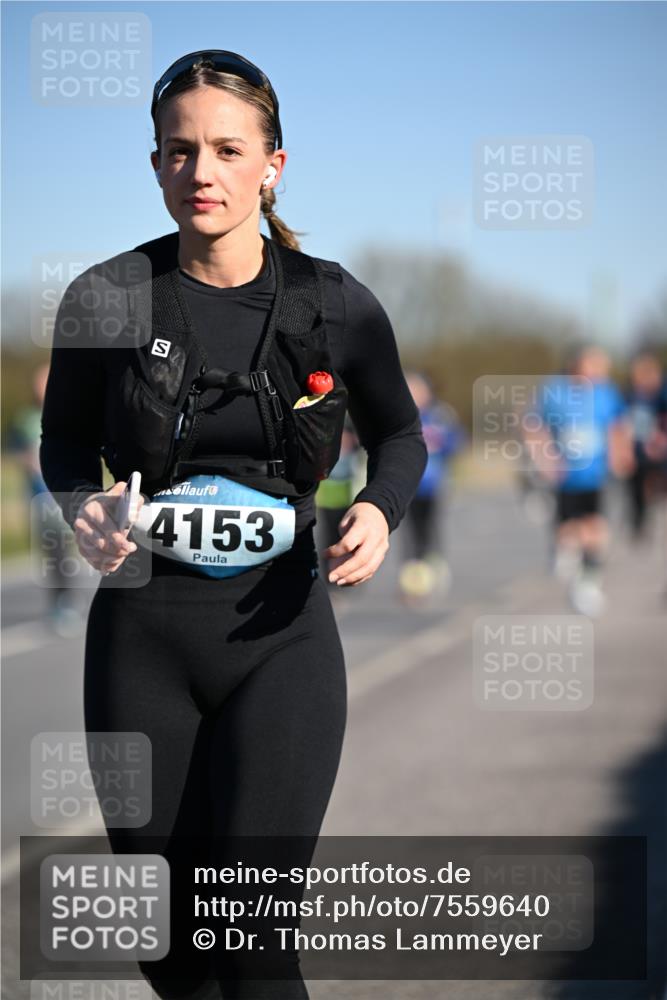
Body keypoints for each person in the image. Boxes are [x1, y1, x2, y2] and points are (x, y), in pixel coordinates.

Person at [39, 50, 427, 1000]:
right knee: (171, 952)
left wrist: (377, 511)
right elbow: (61, 449)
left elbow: (403, 434)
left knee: (250, 935)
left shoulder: (334, 304)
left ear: (272, 164)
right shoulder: (106, 298)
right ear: (155, 163)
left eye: (224, 149)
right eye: (177, 152)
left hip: (280, 639)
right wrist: (85, 507)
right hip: (142, 641)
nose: (199, 173)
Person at [527, 344, 633, 616]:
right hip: (565, 476)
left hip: (595, 475)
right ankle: (566, 552)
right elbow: (533, 425)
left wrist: (622, 454)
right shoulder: (555, 391)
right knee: (568, 531)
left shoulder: (607, 394)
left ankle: (589, 583)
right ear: (576, 364)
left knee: (597, 528)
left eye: (602, 366)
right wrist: (545, 458)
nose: (599, 371)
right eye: (593, 364)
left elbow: (617, 427)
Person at [7, 364, 84, 635]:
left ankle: (68, 600)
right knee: (53, 554)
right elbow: (16, 451)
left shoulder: (64, 415)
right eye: (38, 383)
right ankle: (60, 603)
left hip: (63, 494)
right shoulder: (25, 419)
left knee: (67, 550)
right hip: (40, 496)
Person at [398, 372, 464, 604]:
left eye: (418, 389)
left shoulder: (440, 415)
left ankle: (433, 567)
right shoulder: (401, 415)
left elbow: (455, 444)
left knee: (429, 530)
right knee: (410, 534)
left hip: (433, 484)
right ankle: (413, 578)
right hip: (408, 485)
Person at [624, 350, 667, 538]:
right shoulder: (630, 395)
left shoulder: (662, 394)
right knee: (637, 487)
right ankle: (639, 520)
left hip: (661, 449)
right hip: (639, 450)